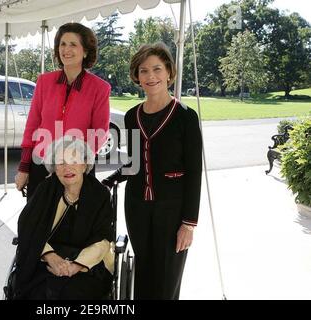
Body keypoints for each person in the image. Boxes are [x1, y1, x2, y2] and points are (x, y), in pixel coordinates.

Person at [102, 43, 203, 299]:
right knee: (144, 277)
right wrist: (110, 179)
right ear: (137, 76)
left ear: (169, 72)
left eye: (157, 69)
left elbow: (194, 172)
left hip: (173, 211)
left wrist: (189, 224)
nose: (151, 76)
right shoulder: (132, 116)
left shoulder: (185, 117)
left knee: (167, 283)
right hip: (137, 208)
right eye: (143, 70)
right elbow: (135, 162)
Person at [14, 22, 111, 198]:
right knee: (38, 223)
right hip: (41, 165)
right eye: (62, 44)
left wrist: (74, 162)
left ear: (86, 51)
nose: (66, 49)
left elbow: (99, 132)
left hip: (77, 169)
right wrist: (23, 167)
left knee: (74, 224)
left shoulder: (100, 88)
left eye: (73, 44)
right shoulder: (44, 82)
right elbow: (32, 126)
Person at [12, 137, 114, 299]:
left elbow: (103, 239)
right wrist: (50, 256)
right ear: (54, 168)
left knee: (74, 293)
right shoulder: (45, 189)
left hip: (87, 264)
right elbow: (28, 226)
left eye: (74, 160)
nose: (68, 167)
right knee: (38, 292)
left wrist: (75, 266)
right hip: (45, 261)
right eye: (61, 163)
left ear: (84, 164)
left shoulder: (99, 194)